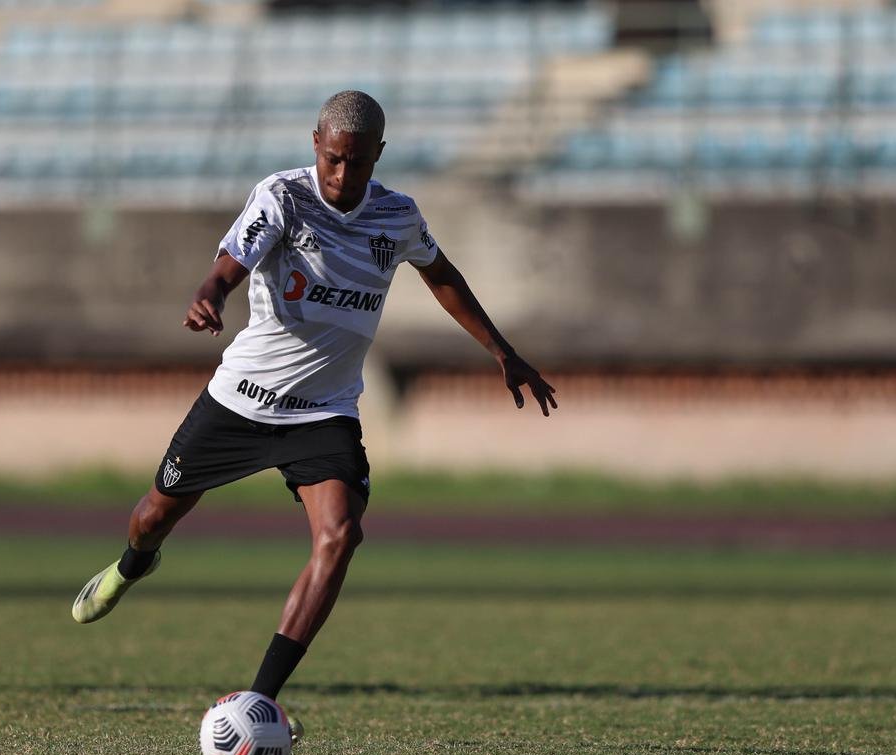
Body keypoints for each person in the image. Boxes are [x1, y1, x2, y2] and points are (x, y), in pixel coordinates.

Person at [71, 91, 555, 719]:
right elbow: (229, 263)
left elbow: (442, 275)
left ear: (378, 155)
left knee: (342, 534)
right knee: (151, 518)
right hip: (241, 401)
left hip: (325, 413)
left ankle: (258, 702)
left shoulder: (397, 216)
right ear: (316, 145)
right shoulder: (283, 196)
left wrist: (501, 351)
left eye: (358, 163)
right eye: (333, 159)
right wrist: (210, 296)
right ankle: (131, 567)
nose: (342, 176)